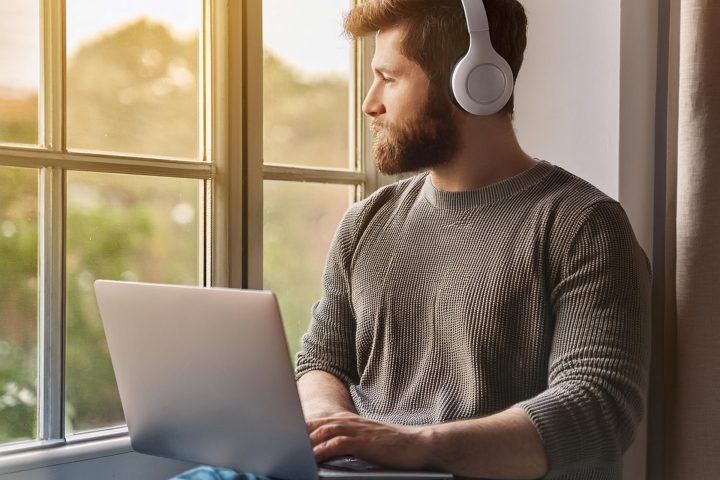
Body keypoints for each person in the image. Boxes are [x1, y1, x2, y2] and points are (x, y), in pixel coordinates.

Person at [175, 0, 650, 479]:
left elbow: (598, 408)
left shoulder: (583, 224)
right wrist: (328, 424)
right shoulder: (365, 222)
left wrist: (414, 445)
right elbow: (321, 360)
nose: (370, 102)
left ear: (472, 83)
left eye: (390, 77)